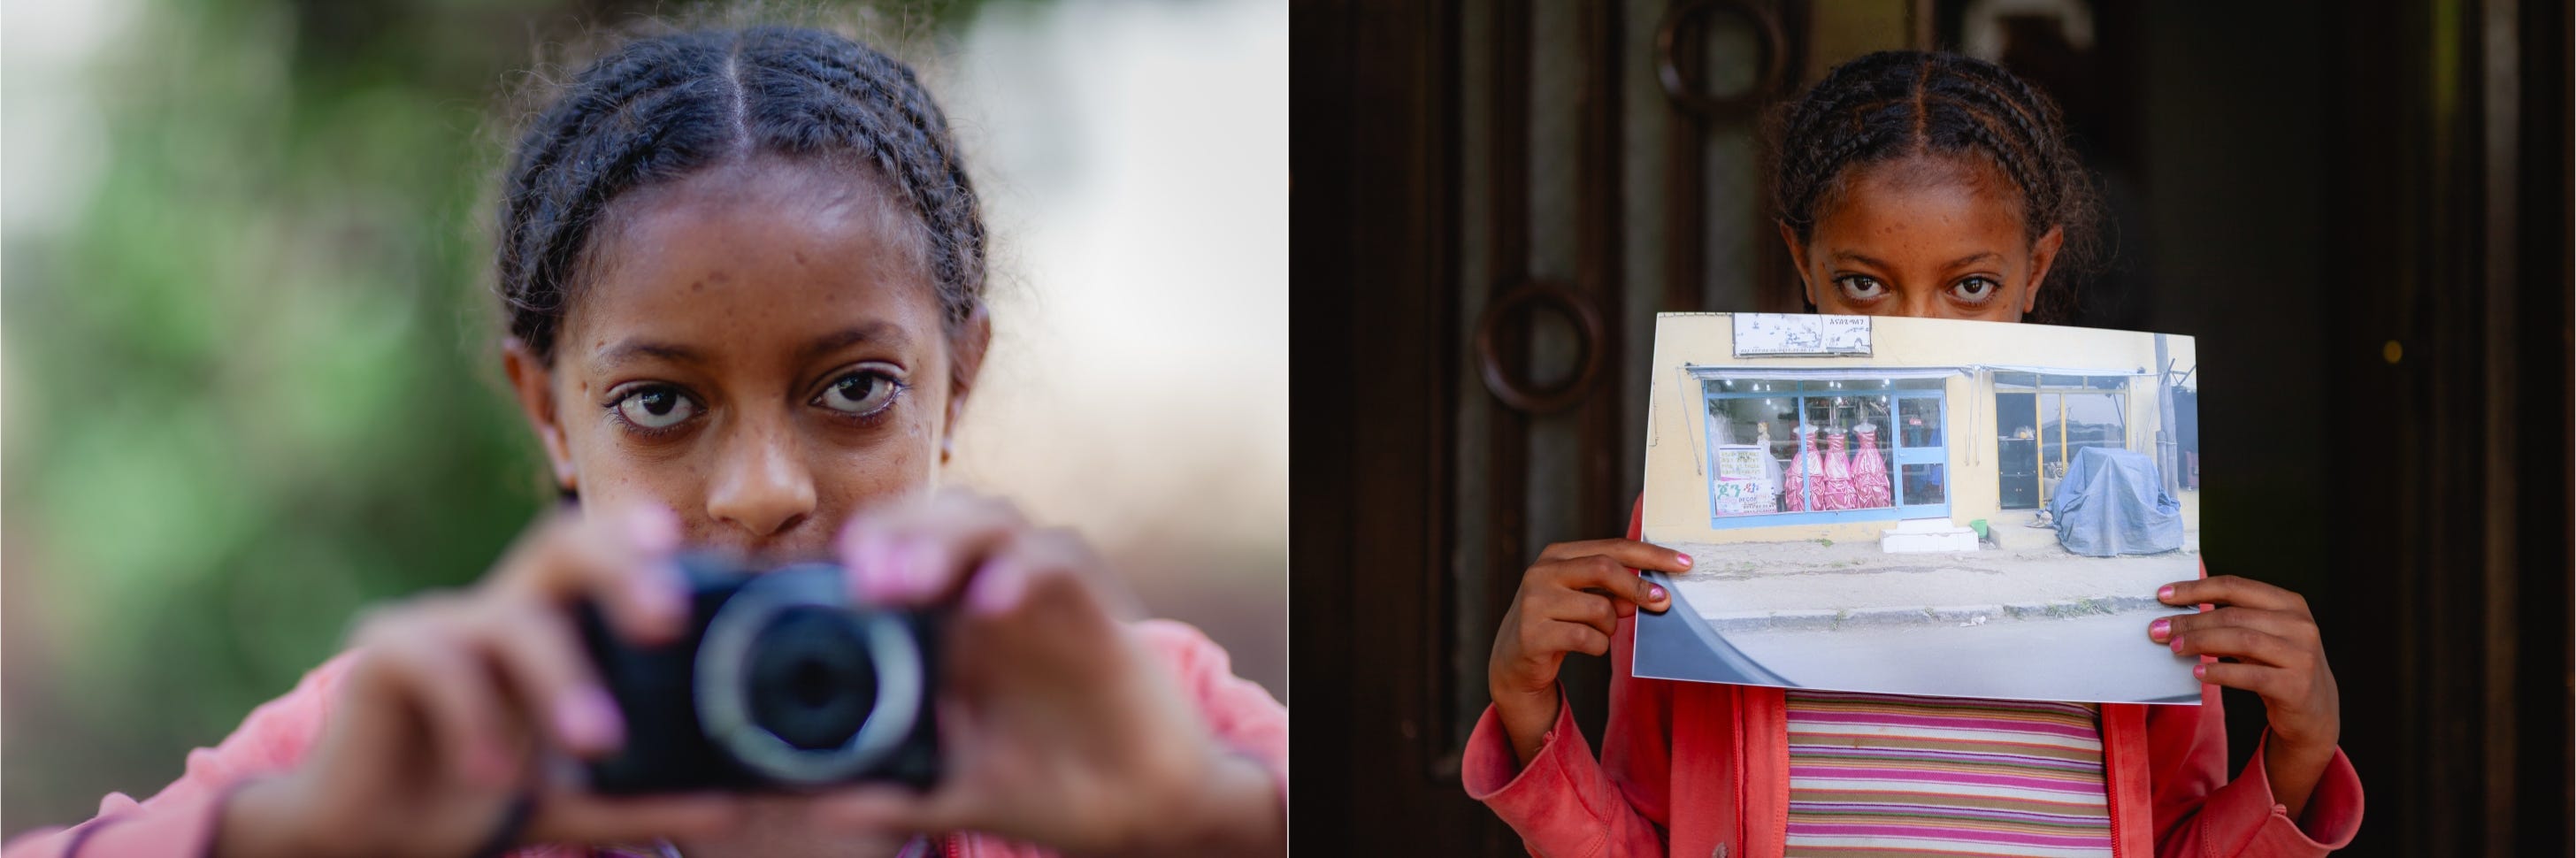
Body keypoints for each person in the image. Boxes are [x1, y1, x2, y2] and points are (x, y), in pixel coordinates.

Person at [5, 23, 1285, 858]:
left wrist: (1215, 823)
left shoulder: (1126, 715)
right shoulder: (443, 743)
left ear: (958, 382)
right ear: (550, 410)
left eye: (855, 390)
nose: (763, 490)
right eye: (661, 404)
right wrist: (286, 840)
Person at [1468, 50, 2358, 856]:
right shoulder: (1687, 534)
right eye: (1862, 283)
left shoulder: (2126, 528)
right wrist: (1527, 708)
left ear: (2035, 269)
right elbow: (1645, 835)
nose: (1915, 337)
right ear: (1801, 263)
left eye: (1971, 285)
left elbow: (2176, 838)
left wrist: (2297, 755)